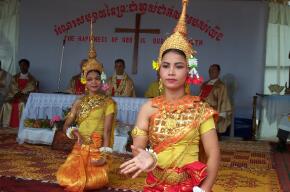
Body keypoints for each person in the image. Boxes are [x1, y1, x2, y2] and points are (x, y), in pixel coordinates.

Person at [120, 1, 220, 192]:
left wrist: (204, 189)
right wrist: (146, 160)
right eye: (166, 66)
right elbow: (139, 149)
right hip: (156, 184)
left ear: (189, 71)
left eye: (179, 66)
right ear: (159, 69)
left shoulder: (201, 109)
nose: (171, 72)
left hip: (192, 186)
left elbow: (214, 153)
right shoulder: (148, 108)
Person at [56, 23, 116, 192]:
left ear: (101, 80)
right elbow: (66, 124)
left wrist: (104, 156)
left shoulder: (108, 103)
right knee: (65, 179)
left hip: (97, 149)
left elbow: (106, 131)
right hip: (80, 148)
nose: (94, 82)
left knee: (93, 182)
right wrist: (72, 131)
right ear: (85, 81)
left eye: (97, 78)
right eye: (90, 79)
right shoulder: (78, 102)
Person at [0, 59, 37, 128]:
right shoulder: (14, 77)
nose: (23, 67)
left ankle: (23, 124)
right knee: (6, 104)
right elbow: (12, 89)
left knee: (22, 104)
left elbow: (31, 89)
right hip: (14, 96)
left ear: (28, 66)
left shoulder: (32, 79)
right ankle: (6, 124)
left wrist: (21, 93)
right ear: (19, 66)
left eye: (25, 65)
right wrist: (15, 95)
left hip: (25, 97)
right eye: (21, 65)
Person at [200, 64, 232, 135]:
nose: (211, 72)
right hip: (202, 111)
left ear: (218, 72)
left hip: (214, 112)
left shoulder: (221, 86)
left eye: (214, 70)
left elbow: (223, 100)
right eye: (210, 70)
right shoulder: (204, 84)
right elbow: (200, 96)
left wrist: (221, 115)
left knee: (212, 132)